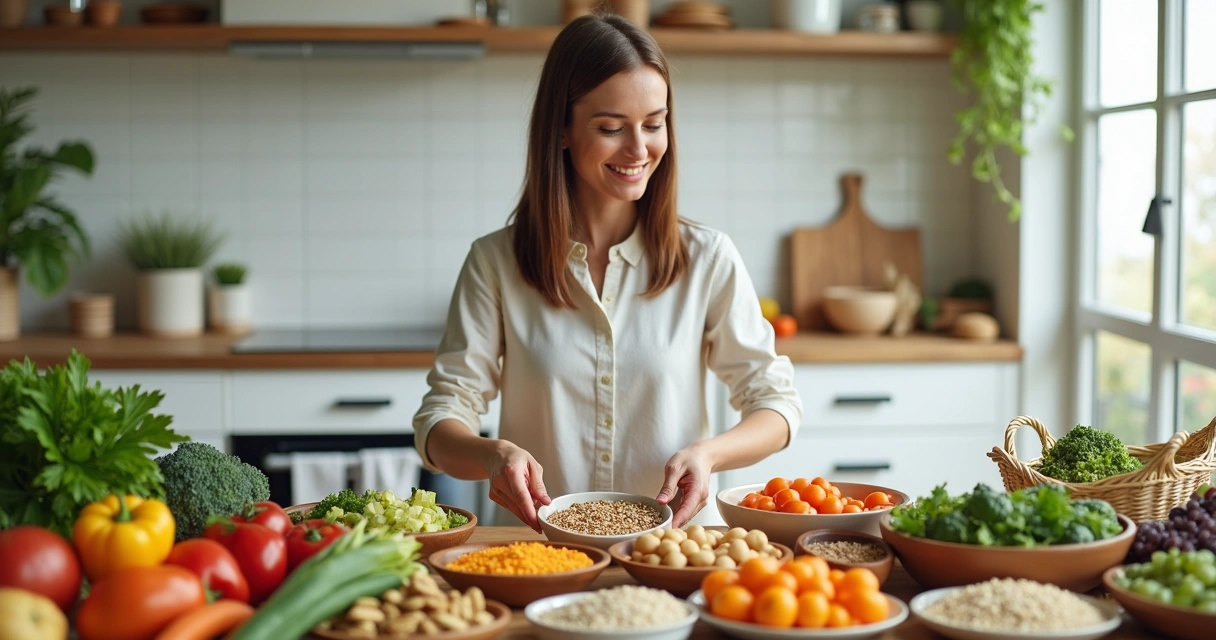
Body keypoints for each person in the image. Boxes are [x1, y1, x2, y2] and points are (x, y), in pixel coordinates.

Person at [412, 14, 802, 531]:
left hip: (671, 553)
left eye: (654, 123)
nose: (639, 150)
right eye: (611, 128)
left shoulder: (708, 258)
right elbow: (441, 419)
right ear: (563, 131)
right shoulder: (495, 263)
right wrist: (492, 455)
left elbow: (775, 405)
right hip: (538, 555)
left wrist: (710, 455)